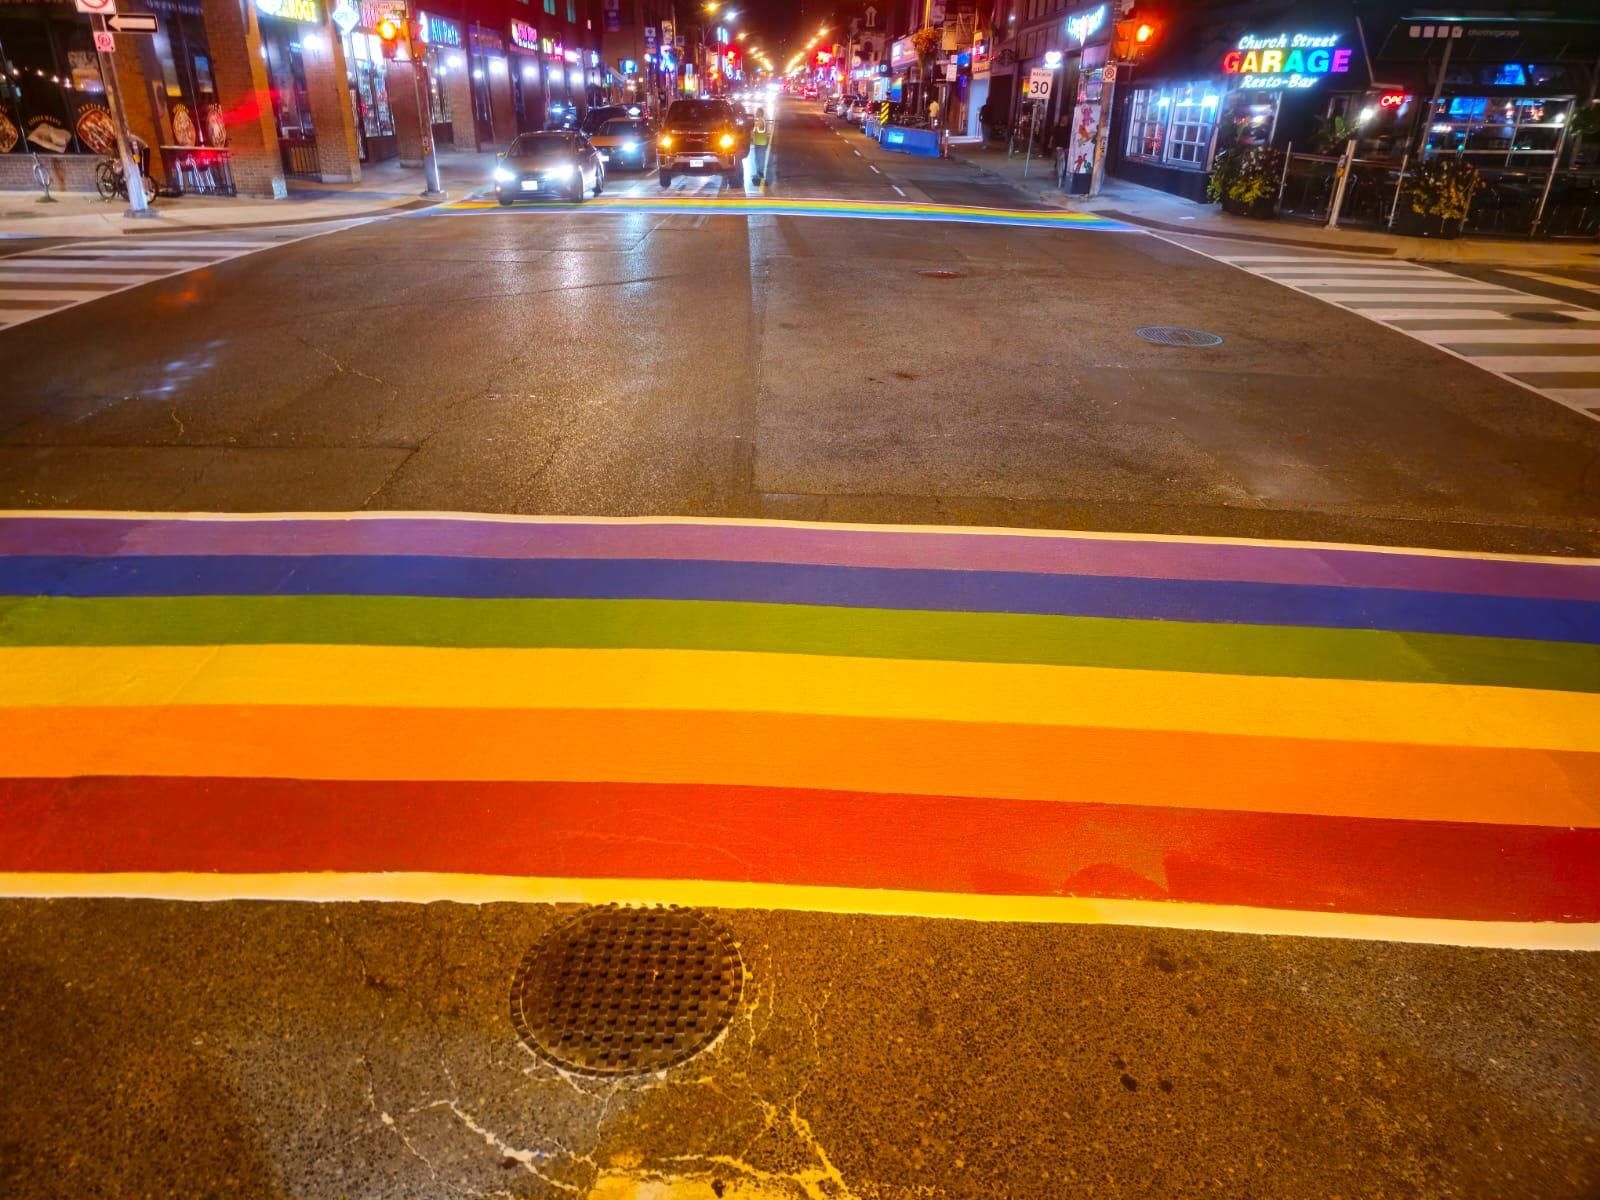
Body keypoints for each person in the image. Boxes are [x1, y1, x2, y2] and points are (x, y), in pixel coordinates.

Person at [751, 112, 770, 183]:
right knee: (758, 159)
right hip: (759, 142)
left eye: (757, 112)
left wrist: (755, 129)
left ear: (760, 113)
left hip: (761, 143)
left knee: (760, 159)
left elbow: (761, 131)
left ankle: (760, 174)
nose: (756, 113)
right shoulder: (759, 120)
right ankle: (758, 173)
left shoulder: (761, 121)